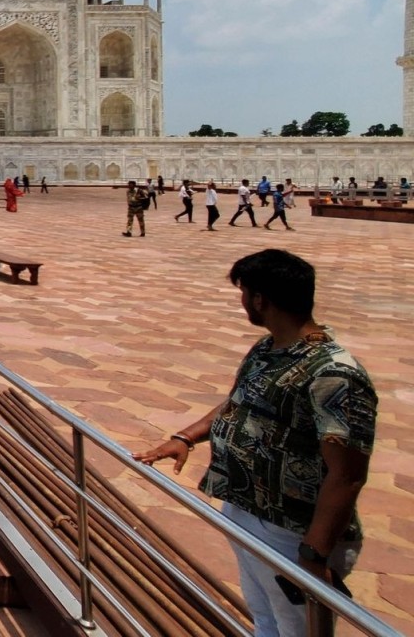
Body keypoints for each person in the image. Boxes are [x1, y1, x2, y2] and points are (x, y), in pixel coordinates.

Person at [134, 249, 377, 637]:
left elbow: (347, 475)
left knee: (298, 629)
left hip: (292, 529)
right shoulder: (269, 349)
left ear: (260, 299)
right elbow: (241, 401)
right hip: (247, 507)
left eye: (244, 292)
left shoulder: (333, 373)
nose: (243, 301)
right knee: (264, 616)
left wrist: (313, 554)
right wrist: (186, 437)